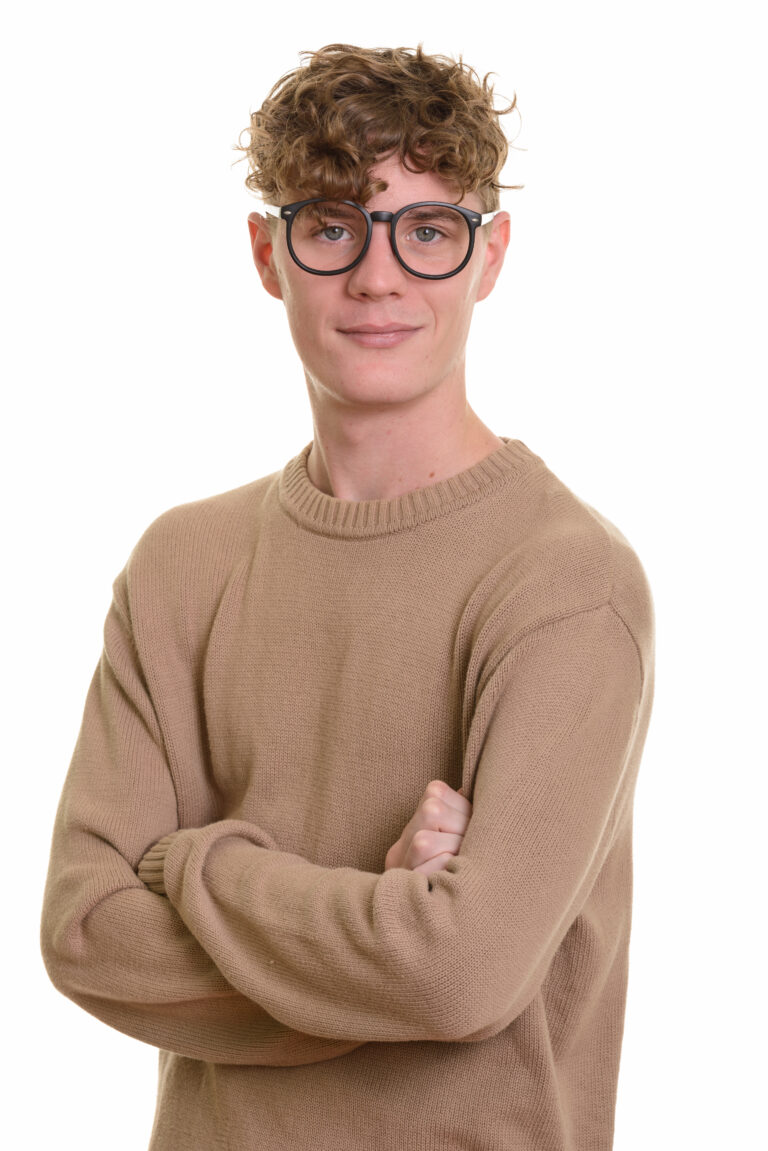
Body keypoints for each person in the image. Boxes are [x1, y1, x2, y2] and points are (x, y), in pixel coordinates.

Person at [40, 43, 655, 1151]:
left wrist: (196, 867)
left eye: (428, 230)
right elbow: (85, 932)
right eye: (332, 225)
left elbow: (463, 976)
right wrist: (385, 935)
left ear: (491, 255)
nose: (379, 278)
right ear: (269, 255)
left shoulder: (567, 580)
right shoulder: (181, 565)